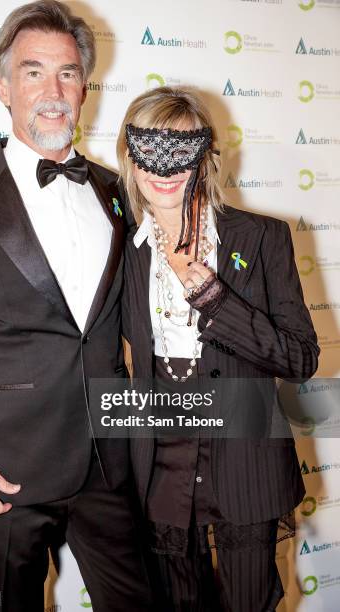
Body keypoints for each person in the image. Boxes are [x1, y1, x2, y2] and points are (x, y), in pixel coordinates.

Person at [0, 2, 153, 611]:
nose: (53, 92)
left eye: (67, 73)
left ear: (85, 85)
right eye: (33, 72)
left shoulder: (116, 190)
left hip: (112, 459)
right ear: (3, 85)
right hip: (5, 469)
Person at [117, 86, 320, 611]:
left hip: (246, 458)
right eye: (149, 150)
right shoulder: (123, 250)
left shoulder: (262, 238)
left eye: (180, 151)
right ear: (129, 155)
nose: (163, 169)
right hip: (160, 458)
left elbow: (301, 358)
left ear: (204, 156)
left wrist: (210, 294)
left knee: (249, 601)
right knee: (178, 601)